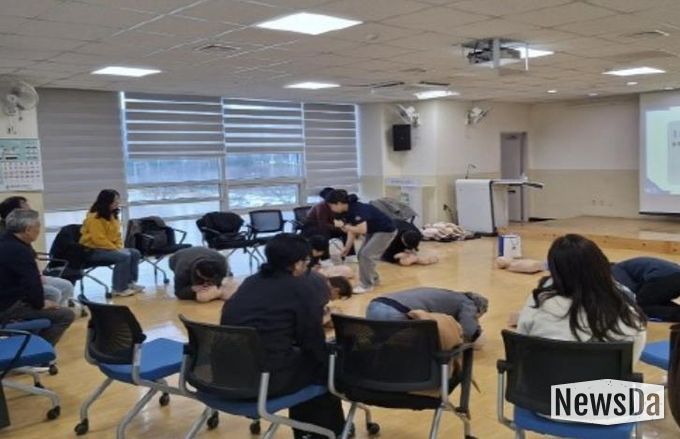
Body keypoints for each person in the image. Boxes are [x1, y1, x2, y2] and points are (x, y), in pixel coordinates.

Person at [221, 234, 344, 437]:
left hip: (226, 373)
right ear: (297, 264)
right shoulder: (300, 288)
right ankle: (327, 432)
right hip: (265, 381)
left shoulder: (251, 282)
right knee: (325, 367)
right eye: (306, 261)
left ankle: (313, 432)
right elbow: (311, 341)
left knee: (304, 361)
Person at [517, 234, 647, 362]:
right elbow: (630, 362)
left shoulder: (539, 302)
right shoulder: (627, 313)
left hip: (542, 375)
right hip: (601, 376)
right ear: (602, 264)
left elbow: (520, 344)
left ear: (555, 272)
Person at [0, 209, 75, 345]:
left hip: (7, 299)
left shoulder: (5, 241)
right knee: (65, 315)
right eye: (38, 226)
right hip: (7, 307)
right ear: (28, 229)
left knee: (50, 296)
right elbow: (32, 283)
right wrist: (41, 304)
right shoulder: (20, 250)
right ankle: (38, 349)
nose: (39, 230)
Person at [0, 197, 75, 306]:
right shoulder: (10, 237)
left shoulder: (21, 234)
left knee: (66, 286)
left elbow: (31, 258)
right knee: (54, 293)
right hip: (14, 282)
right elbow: (21, 271)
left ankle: (57, 309)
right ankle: (48, 313)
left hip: (31, 274)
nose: (30, 210)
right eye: (26, 209)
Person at [326, 190, 397, 294]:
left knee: (366, 255)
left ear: (339, 203)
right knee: (361, 255)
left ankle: (366, 285)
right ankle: (374, 279)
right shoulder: (345, 212)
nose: (331, 208)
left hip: (386, 231)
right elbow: (352, 230)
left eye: (331, 205)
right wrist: (347, 248)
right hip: (374, 230)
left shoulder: (356, 209)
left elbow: (362, 229)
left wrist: (343, 226)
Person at [80, 189, 142, 297]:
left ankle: (129, 282)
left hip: (108, 248)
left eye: (118, 200)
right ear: (106, 202)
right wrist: (116, 249)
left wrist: (118, 247)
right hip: (92, 250)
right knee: (123, 256)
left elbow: (117, 235)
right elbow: (98, 239)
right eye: (115, 201)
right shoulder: (94, 218)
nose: (117, 203)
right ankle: (118, 288)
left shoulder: (112, 215)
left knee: (135, 253)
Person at [366, 288, 488, 342]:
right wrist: (475, 334)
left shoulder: (449, 296)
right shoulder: (468, 303)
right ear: (478, 309)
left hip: (375, 305)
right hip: (396, 312)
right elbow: (468, 329)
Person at [612, 256, 680, 321]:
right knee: (654, 302)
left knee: (638, 307)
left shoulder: (614, 271)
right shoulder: (625, 266)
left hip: (664, 277)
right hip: (671, 276)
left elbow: (631, 294)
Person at [169, 247, 235, 302]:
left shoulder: (221, 261)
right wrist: (192, 289)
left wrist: (216, 283)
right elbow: (179, 292)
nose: (206, 282)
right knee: (193, 288)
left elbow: (224, 278)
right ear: (197, 271)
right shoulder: (182, 269)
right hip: (177, 258)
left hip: (205, 253)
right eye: (205, 279)